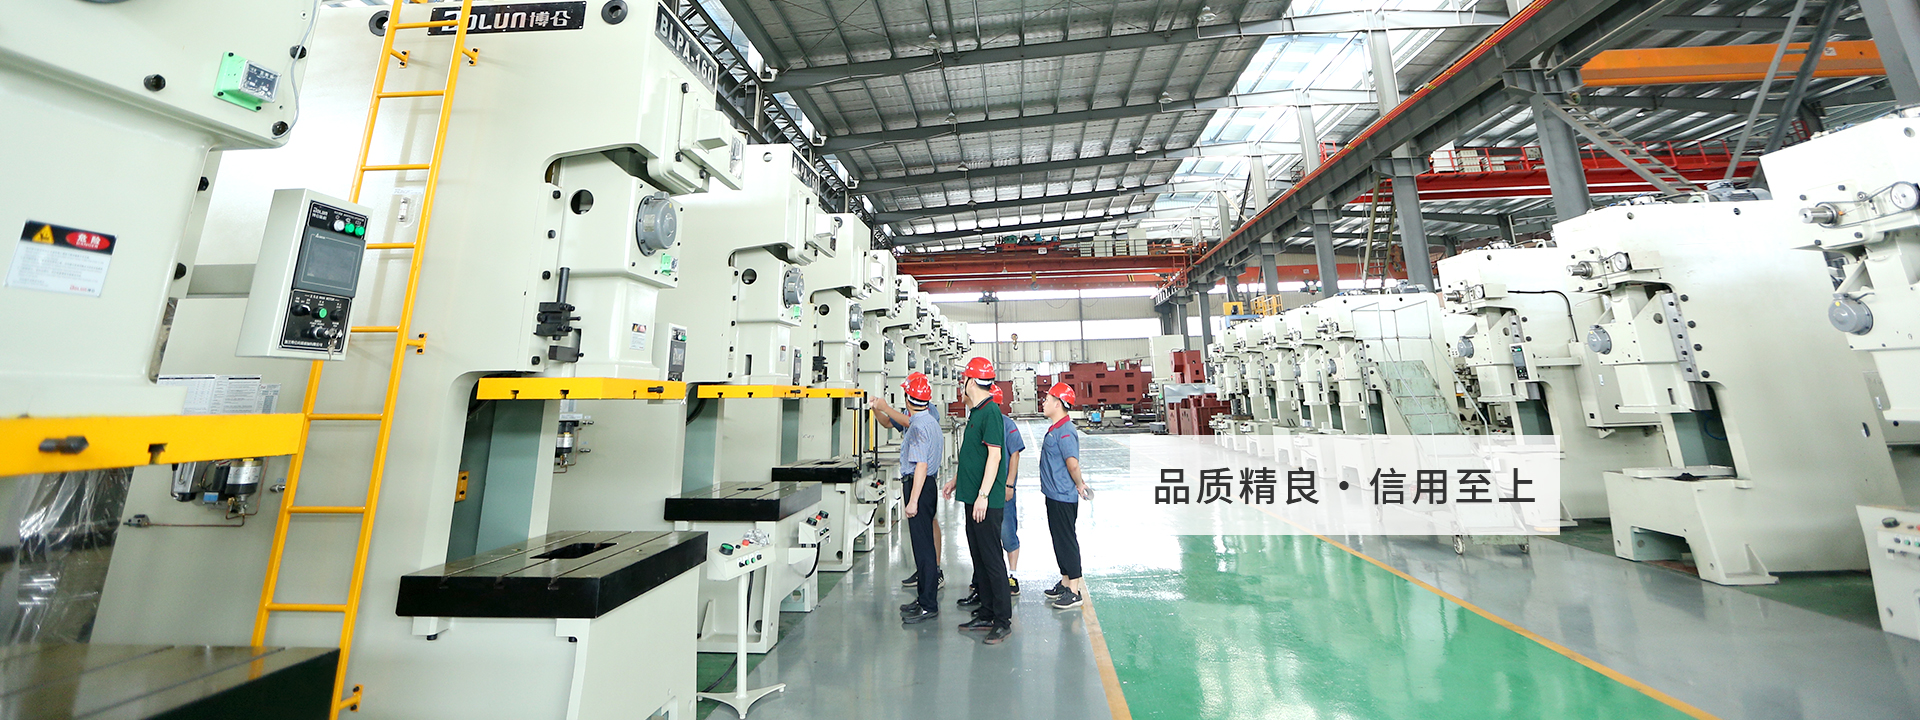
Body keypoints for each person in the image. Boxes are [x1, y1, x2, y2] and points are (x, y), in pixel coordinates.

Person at [944, 357, 1013, 644]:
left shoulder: (991, 412)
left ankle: (1002, 620)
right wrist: (956, 480)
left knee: (992, 559)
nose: (963, 384)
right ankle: (986, 612)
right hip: (973, 498)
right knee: (979, 557)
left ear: (971, 381)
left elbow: (994, 456)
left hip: (986, 501)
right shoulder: (977, 411)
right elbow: (975, 455)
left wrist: (984, 495)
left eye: (964, 380)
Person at [870, 372, 945, 623]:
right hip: (925, 486)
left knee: (923, 549)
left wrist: (912, 501)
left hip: (919, 486)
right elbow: (890, 421)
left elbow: (921, 465)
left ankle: (929, 605)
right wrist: (879, 408)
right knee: (922, 547)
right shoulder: (928, 420)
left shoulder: (918, 427)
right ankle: (923, 598)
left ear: (907, 398)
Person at [959, 385, 1025, 606]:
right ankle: (983, 593)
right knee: (983, 547)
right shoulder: (977, 417)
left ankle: (1011, 578)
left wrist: (1009, 484)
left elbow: (1011, 455)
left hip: (996, 491)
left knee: (1005, 535)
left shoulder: (1002, 422)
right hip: (980, 492)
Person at [1037, 382, 1093, 610]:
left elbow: (1073, 464)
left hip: (1063, 496)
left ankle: (1074, 591)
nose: (1044, 403)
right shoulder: (1056, 428)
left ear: (1058, 404)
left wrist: (1080, 484)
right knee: (1059, 540)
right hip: (1054, 495)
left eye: (1047, 399)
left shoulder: (1066, 431)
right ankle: (1065, 582)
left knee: (1067, 541)